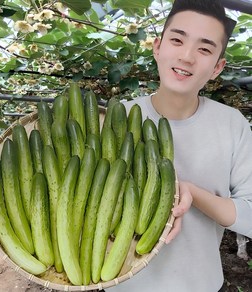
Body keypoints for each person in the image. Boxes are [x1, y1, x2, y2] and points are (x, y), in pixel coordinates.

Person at [107, 0, 252, 291]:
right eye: (177, 40)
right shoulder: (114, 118)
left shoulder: (233, 124)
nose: (187, 56)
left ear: (217, 67)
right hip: (119, 285)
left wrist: (188, 191)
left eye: (204, 49)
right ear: (157, 47)